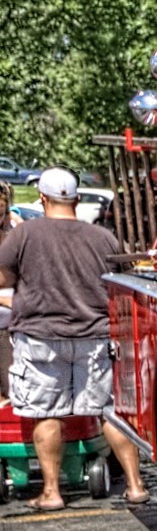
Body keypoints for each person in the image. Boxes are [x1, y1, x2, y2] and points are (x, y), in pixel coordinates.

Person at [0, 168, 147, 509]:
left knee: (46, 413)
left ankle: (51, 492)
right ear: (77, 199)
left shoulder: (26, 235)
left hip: (40, 339)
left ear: (42, 199)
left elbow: (3, 275)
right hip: (94, 337)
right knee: (109, 413)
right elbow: (126, 282)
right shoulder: (103, 238)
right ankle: (136, 485)